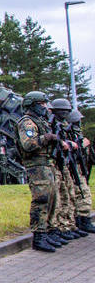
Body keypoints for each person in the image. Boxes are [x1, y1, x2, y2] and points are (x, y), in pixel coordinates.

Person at [17, 92, 63, 252]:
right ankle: (39, 234)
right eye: (41, 104)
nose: (44, 107)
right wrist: (46, 138)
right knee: (41, 199)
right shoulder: (27, 123)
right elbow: (28, 145)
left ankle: (48, 230)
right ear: (32, 104)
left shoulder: (40, 121)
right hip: (36, 165)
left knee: (52, 198)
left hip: (46, 164)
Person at [47, 98, 85, 240]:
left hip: (62, 164)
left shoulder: (61, 126)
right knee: (58, 197)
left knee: (67, 195)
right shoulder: (51, 125)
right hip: (54, 164)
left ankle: (67, 225)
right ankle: (59, 226)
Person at [67, 108, 94, 234]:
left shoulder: (76, 133)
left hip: (80, 168)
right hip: (74, 168)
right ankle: (82, 220)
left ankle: (83, 219)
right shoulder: (68, 133)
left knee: (83, 193)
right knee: (81, 193)